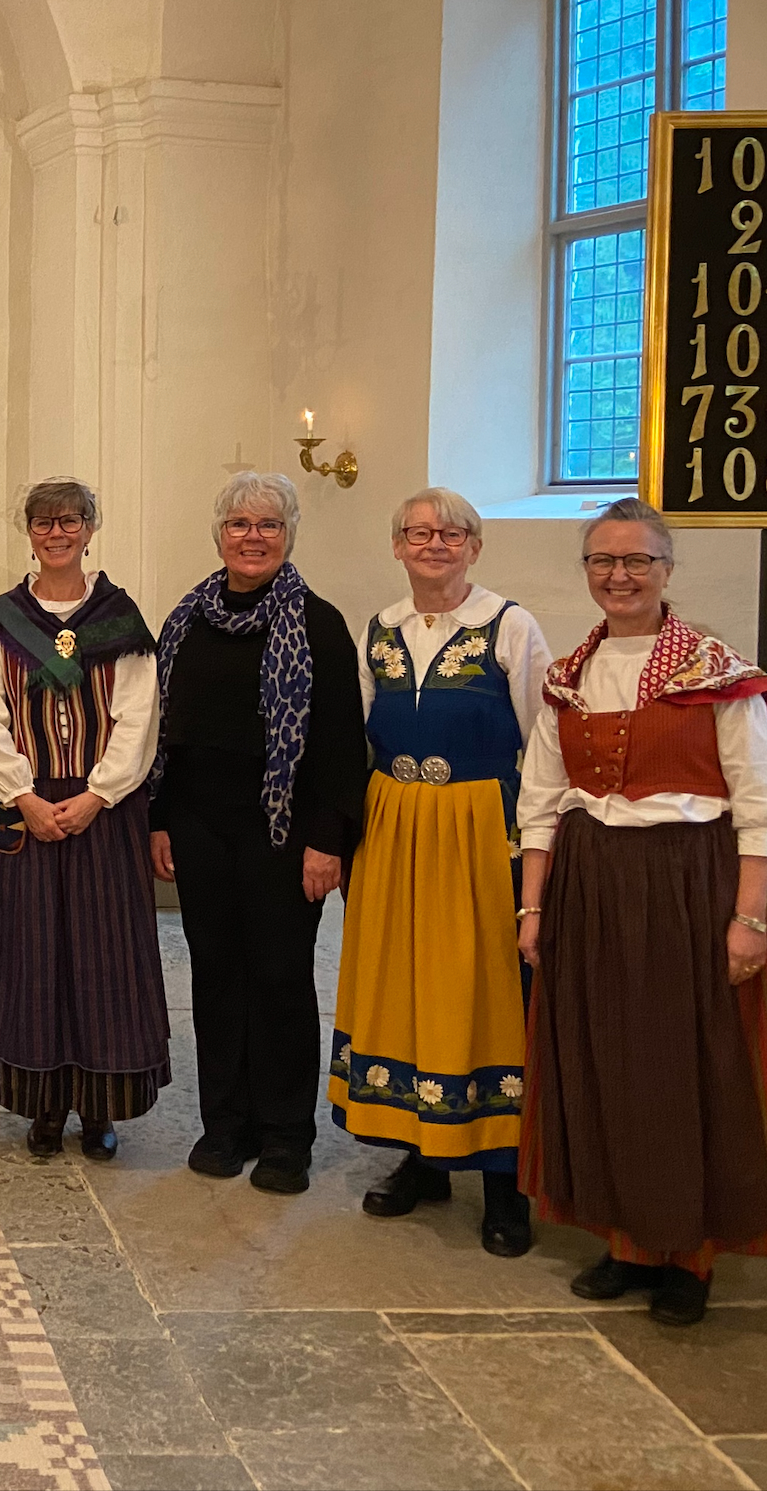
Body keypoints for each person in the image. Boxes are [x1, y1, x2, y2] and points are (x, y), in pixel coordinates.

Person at [517, 497, 767, 1326]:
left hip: (689, 884)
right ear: (586, 572)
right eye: (603, 561)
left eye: (637, 561)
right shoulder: (566, 679)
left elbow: (761, 804)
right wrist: (532, 908)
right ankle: (625, 1243)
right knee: (603, 1057)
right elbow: (541, 803)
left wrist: (747, 917)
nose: (619, 576)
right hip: (590, 882)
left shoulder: (718, 676)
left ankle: (688, 1255)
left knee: (688, 1067)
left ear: (666, 570)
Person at [330, 488, 549, 1257]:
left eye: (450, 533)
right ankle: (421, 1160)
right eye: (417, 532)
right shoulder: (380, 629)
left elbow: (542, 743)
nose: (433, 543)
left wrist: (531, 850)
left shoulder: (508, 625)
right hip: (395, 831)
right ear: (397, 546)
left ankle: (503, 1185)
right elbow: (354, 738)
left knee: (482, 997)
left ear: (474, 546)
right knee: (407, 990)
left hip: (478, 831)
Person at [150, 470, 368, 1195]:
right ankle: (225, 1125)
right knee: (215, 975)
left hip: (285, 834)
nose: (252, 537)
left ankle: (284, 1138)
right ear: (219, 536)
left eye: (268, 526)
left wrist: (328, 839)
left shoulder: (317, 622)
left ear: (289, 536)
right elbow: (164, 734)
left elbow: (341, 743)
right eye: (240, 525)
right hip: (200, 823)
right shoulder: (186, 619)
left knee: (278, 978)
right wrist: (160, 821)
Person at [0, 480, 169, 1158]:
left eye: (71, 520)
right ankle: (44, 1104)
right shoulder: (2, 620)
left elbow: (138, 718)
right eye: (45, 523)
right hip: (26, 809)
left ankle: (99, 1106)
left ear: (90, 528)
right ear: (29, 532)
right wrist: (21, 796)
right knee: (33, 955)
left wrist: (98, 795)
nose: (58, 533)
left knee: (101, 956)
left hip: (101, 811)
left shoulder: (119, 617)